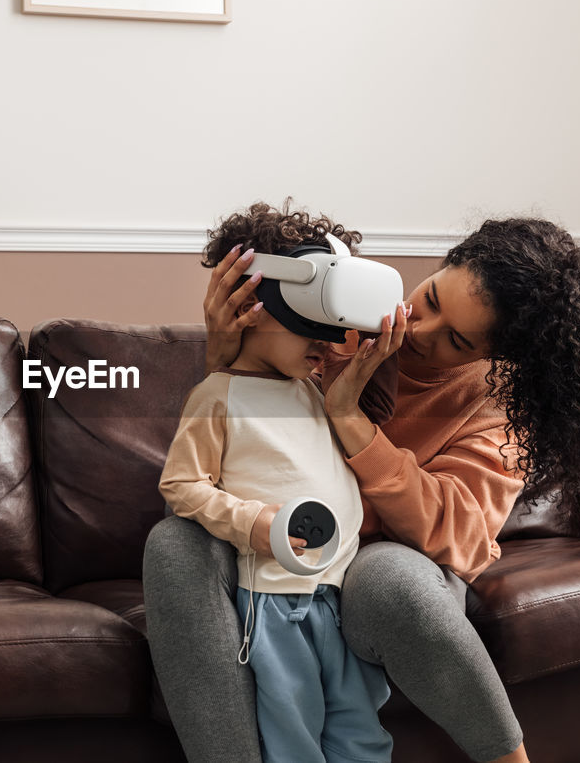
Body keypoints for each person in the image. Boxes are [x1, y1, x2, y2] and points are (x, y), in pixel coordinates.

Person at [143, 201, 580, 763]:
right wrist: (229, 360)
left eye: (456, 341)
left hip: (388, 563)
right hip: (277, 548)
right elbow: (226, 462)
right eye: (430, 297)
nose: (419, 329)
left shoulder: (495, 406)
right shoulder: (335, 321)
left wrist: (351, 422)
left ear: (495, 357)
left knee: (386, 577)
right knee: (175, 543)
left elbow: (457, 534)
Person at [157, 207, 405, 763]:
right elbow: (181, 484)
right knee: (292, 739)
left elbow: (375, 382)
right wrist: (254, 523)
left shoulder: (320, 393)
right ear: (250, 305)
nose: (327, 345)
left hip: (341, 600)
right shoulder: (217, 396)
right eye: (309, 328)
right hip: (274, 604)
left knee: (362, 739)